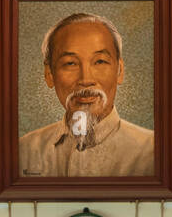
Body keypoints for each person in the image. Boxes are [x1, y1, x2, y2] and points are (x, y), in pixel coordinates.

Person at [19, 12, 154, 177]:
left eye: (99, 61)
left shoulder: (152, 151)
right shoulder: (25, 150)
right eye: (70, 63)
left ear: (119, 71)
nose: (86, 79)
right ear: (49, 75)